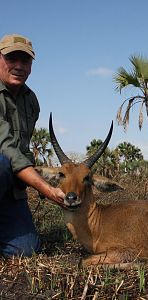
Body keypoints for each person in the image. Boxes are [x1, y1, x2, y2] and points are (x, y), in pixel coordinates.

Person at [0, 33, 66, 257]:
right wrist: (46, 190)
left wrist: (52, 176)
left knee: (26, 250)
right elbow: (7, 150)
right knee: (1, 162)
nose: (18, 66)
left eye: (25, 60)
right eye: (11, 58)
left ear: (31, 65)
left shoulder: (31, 100)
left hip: (9, 188)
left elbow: (24, 150)